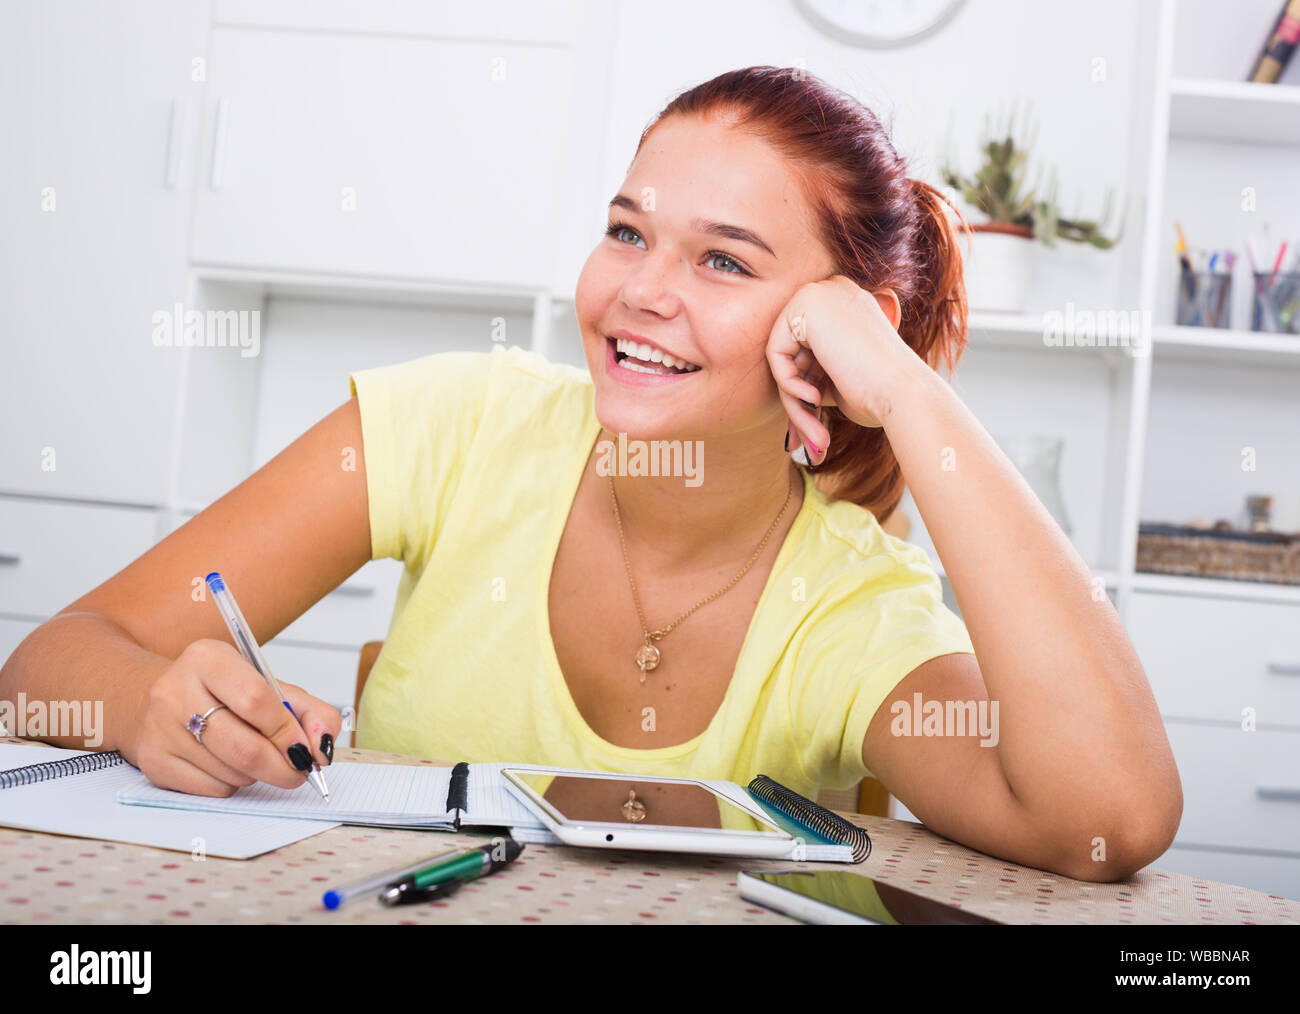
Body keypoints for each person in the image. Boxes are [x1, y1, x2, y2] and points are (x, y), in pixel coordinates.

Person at [0, 66, 1180, 882]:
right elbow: (48, 665)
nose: (638, 293)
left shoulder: (849, 607)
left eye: (722, 260)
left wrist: (907, 391)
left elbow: (1110, 822)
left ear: (838, 330)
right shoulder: (456, 426)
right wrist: (150, 703)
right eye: (628, 231)